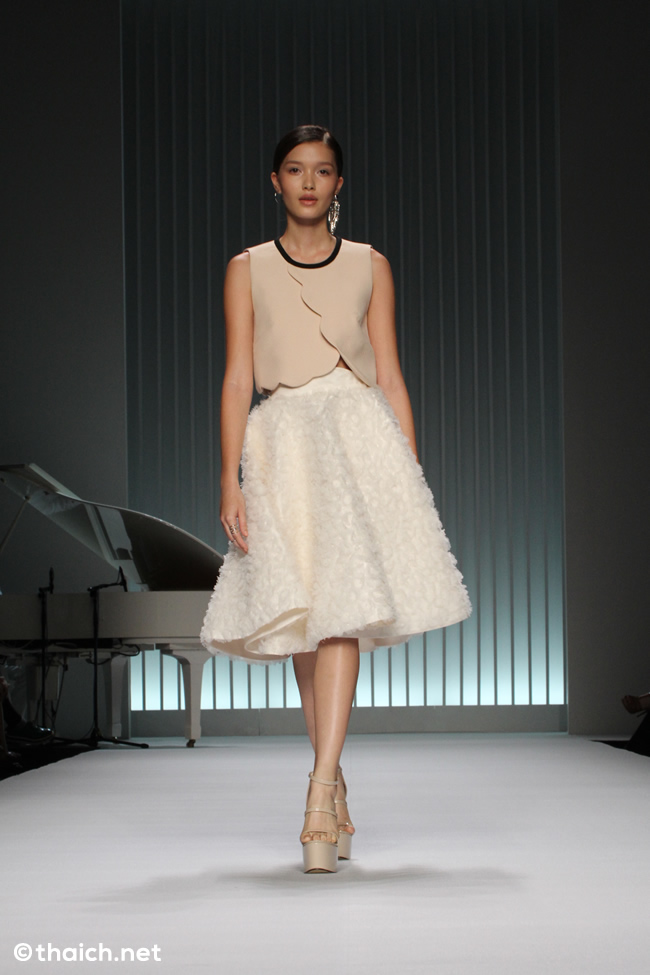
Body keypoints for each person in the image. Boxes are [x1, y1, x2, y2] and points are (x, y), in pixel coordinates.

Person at [201, 125, 471, 872]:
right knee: (304, 618)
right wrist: (228, 477)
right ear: (275, 181)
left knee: (343, 609)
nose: (309, 183)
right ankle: (336, 780)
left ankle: (319, 793)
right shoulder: (246, 269)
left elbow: (390, 373)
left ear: (339, 184)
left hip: (358, 441)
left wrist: (406, 470)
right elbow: (236, 376)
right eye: (295, 170)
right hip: (282, 443)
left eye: (322, 171)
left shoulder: (370, 264)